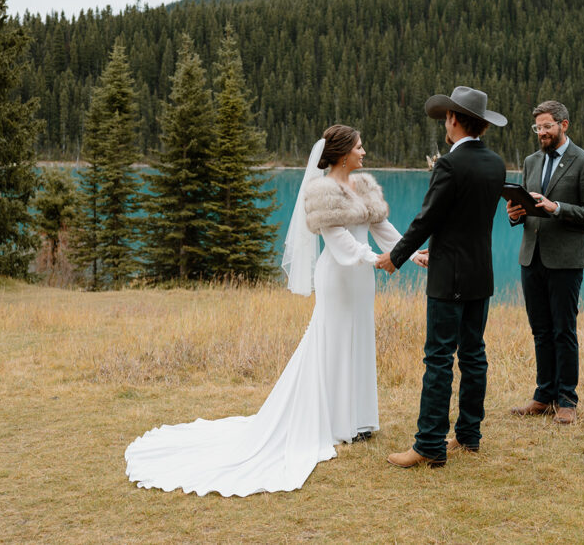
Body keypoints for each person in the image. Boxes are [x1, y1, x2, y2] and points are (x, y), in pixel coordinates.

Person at [125, 125, 426, 496]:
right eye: (359, 147)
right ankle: (335, 422)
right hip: (340, 276)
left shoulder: (363, 186)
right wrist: (377, 260)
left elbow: (383, 228)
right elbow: (340, 244)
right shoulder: (321, 194)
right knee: (333, 341)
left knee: (360, 340)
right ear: (342, 153)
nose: (364, 152)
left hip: (364, 280)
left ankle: (360, 421)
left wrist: (410, 254)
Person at [376, 86, 507, 467]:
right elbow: (467, 221)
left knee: (438, 358)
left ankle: (430, 445)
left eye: (446, 118)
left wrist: (395, 257)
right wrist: (442, 248)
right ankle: (468, 436)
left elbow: (427, 219)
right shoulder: (496, 164)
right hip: (480, 273)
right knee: (474, 356)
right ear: (481, 124)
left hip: (449, 277)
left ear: (453, 120)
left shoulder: (449, 165)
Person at [506, 100, 584, 425]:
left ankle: (566, 400)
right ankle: (543, 396)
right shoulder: (531, 161)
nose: (542, 132)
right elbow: (525, 207)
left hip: (566, 259)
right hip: (531, 255)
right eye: (538, 127)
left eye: (547, 126)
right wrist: (515, 214)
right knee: (540, 331)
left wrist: (556, 207)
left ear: (564, 125)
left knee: (564, 330)